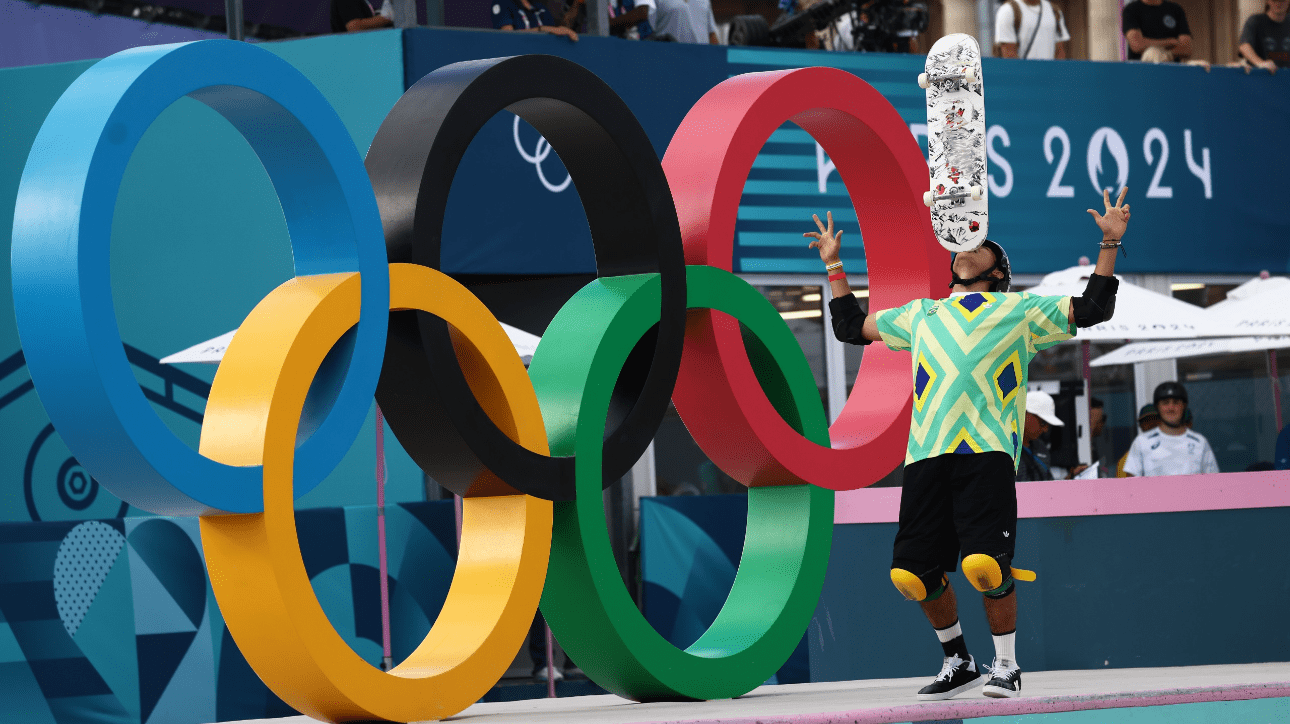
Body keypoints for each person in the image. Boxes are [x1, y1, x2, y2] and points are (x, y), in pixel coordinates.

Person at [808, 188, 1130, 700]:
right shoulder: (921, 314)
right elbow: (850, 326)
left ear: (999, 270)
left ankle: (1007, 665)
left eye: (982, 245)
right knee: (911, 573)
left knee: (984, 566)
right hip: (925, 454)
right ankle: (958, 660)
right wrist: (834, 266)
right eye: (961, 245)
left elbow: (1093, 307)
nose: (966, 244)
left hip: (986, 452)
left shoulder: (1020, 311)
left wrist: (1109, 241)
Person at [1123, 382, 1219, 477]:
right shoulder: (1142, 442)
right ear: (1157, 407)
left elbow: (1214, 482)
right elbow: (1131, 485)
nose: (1171, 408)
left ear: (1184, 406)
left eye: (1176, 403)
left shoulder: (1200, 442)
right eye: (1165, 403)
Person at [994, 0, 1070, 60]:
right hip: (1023, 75)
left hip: (1049, 74)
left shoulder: (1054, 10)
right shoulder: (1008, 11)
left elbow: (1060, 51)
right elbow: (1008, 53)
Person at [1015, 391, 1063, 482]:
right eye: (1043, 422)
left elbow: (1048, 484)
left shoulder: (1041, 447)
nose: (1046, 429)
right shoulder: (1002, 449)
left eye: (1048, 424)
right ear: (1024, 414)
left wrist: (1072, 477)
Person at [1122, 0, 1192, 61]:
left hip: (1171, 71)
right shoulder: (1131, 9)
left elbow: (1187, 48)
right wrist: (1171, 42)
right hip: (1140, 71)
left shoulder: (1176, 10)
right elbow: (1137, 45)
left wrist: (1168, 55)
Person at [634, 0, 719, 44]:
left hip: (699, 61)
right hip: (668, 60)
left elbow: (711, 34)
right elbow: (646, 31)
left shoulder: (705, 1)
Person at [1239, 0, 1290, 72]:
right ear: (1268, 1)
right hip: (1261, 76)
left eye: (1282, 0)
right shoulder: (1255, 21)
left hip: (1285, 77)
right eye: (1274, 0)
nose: (1278, 3)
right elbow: (1244, 45)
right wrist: (1260, 63)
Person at [493, 0, 580, 41]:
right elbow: (507, 36)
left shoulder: (539, 6)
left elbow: (556, 31)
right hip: (518, 59)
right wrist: (542, 29)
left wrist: (577, 3)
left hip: (542, 56)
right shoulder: (503, 2)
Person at [1115, 403, 1160, 477]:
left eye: (1154, 419)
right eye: (1146, 421)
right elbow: (1122, 487)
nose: (1151, 424)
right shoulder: (1126, 461)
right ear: (1141, 426)